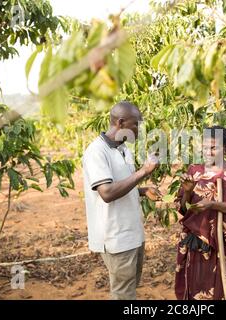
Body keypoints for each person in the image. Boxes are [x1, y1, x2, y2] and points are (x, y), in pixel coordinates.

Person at [82, 101, 161, 300]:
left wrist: (142, 191)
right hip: (116, 238)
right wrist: (144, 171)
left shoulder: (123, 149)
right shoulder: (96, 152)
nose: (139, 129)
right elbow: (107, 193)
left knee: (129, 291)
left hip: (132, 234)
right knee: (123, 295)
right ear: (121, 122)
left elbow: (123, 184)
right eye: (136, 124)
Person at [174, 125, 226, 300]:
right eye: (204, 147)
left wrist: (212, 205)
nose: (208, 152)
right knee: (195, 284)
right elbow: (183, 208)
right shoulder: (194, 171)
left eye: (213, 148)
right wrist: (187, 191)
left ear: (225, 148)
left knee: (221, 286)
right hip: (196, 240)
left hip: (222, 241)